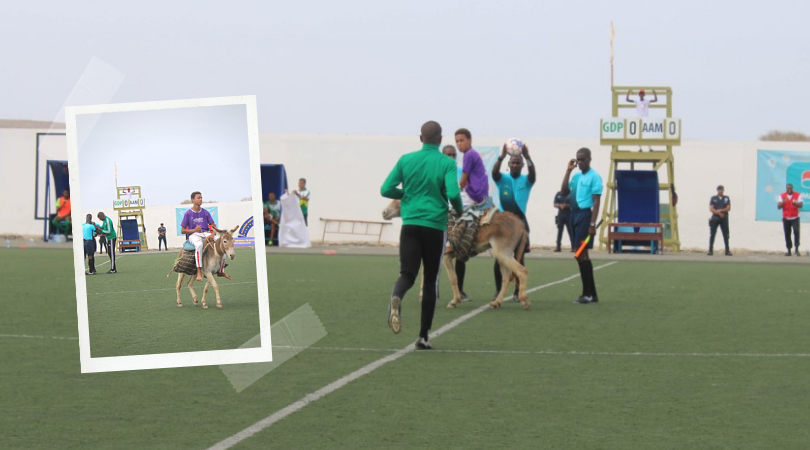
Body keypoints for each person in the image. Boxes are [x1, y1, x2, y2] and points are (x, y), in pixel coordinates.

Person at [381, 120, 463, 350]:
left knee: (407, 274)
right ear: (439, 140)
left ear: (420, 138)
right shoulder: (446, 163)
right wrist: (457, 207)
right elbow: (454, 192)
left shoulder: (406, 160)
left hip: (410, 225)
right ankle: (423, 337)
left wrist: (407, 193)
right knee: (429, 281)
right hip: (434, 227)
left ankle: (396, 298)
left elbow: (385, 189)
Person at [491, 142, 536, 301]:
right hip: (503, 224)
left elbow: (533, 174)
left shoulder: (527, 181)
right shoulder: (502, 179)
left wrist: (528, 157)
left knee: (519, 258)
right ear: (509, 165)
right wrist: (501, 157)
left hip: (520, 223)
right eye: (513, 163)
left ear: (522, 165)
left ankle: (517, 292)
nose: (515, 165)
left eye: (518, 163)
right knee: (499, 258)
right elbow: (494, 173)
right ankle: (498, 291)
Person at [560, 148, 603, 304]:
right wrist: (568, 170)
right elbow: (564, 190)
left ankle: (587, 294)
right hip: (573, 216)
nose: (580, 162)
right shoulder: (576, 176)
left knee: (580, 254)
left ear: (589, 159)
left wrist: (592, 224)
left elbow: (596, 202)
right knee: (582, 255)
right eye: (578, 159)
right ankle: (592, 295)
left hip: (585, 215)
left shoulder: (595, 177)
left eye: (583, 159)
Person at [441, 144, 470, 301]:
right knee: (434, 256)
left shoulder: (460, 173)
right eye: (448, 155)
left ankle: (460, 291)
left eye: (453, 154)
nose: (451, 157)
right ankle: (430, 289)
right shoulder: (437, 172)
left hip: (458, 216)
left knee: (460, 255)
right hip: (442, 216)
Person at [180, 191, 229, 282]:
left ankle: (221, 270)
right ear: (193, 200)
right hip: (193, 235)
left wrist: (212, 234)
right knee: (199, 245)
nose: (200, 199)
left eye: (201, 197)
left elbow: (214, 226)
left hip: (206, 233)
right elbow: (183, 230)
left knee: (222, 243)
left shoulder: (205, 212)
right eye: (198, 198)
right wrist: (194, 230)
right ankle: (199, 271)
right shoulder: (188, 213)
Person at [778, 183, 803, 256]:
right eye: (788, 188)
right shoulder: (782, 196)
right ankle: (789, 250)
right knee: (787, 234)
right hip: (786, 218)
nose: (789, 190)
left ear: (792, 188)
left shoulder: (798, 195)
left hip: (795, 217)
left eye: (790, 188)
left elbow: (801, 205)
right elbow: (779, 206)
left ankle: (797, 249)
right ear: (786, 189)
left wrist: (796, 204)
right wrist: (783, 202)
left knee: (796, 232)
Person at [708, 185, 732, 256]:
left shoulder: (726, 198)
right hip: (715, 217)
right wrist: (718, 213)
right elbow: (711, 208)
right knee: (712, 234)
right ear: (717, 190)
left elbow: (728, 208)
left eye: (722, 190)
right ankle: (710, 250)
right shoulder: (713, 198)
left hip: (724, 217)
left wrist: (721, 210)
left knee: (726, 234)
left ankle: (727, 250)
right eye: (719, 190)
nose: (721, 191)